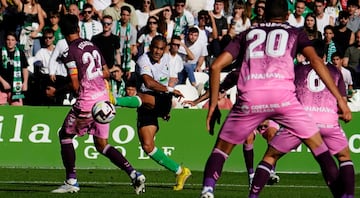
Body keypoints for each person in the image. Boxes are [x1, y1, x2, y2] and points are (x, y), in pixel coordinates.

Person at [199, 0, 352, 198]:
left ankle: (208, 189)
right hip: (283, 99)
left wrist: (213, 105)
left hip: (250, 97)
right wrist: (339, 98)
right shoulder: (296, 33)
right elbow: (315, 61)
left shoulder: (247, 34)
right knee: (321, 151)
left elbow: (215, 66)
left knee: (221, 151)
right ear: (287, 15)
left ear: (262, 15)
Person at [51, 14, 146, 194]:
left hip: (86, 101)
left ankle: (71, 180)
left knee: (65, 135)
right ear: (78, 28)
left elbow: (74, 84)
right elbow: (105, 72)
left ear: (62, 32)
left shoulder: (70, 52)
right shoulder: (91, 45)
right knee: (102, 144)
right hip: (103, 99)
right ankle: (134, 173)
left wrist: (59, 90)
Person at [268, 41, 355, 198]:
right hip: (327, 121)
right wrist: (341, 113)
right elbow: (341, 101)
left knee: (270, 156)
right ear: (325, 55)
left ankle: (253, 193)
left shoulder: (298, 69)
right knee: (343, 157)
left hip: (302, 122)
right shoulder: (335, 72)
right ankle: (348, 196)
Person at [136, 35, 191, 191]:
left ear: (165, 49)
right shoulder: (143, 60)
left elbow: (164, 83)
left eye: (161, 48)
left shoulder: (167, 59)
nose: (157, 51)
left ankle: (114, 101)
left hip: (158, 100)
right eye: (155, 47)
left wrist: (166, 108)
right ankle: (180, 171)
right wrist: (170, 90)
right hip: (147, 105)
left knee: (140, 97)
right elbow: (148, 82)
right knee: (147, 146)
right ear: (150, 46)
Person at [0, 31, 29, 106]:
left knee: (17, 110)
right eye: (8, 40)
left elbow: (25, 68)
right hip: (1, 87)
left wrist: (25, 82)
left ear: (16, 41)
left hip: (16, 87)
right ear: (5, 41)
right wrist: (3, 82)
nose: (10, 42)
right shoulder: (0, 52)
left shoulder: (20, 53)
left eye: (12, 40)